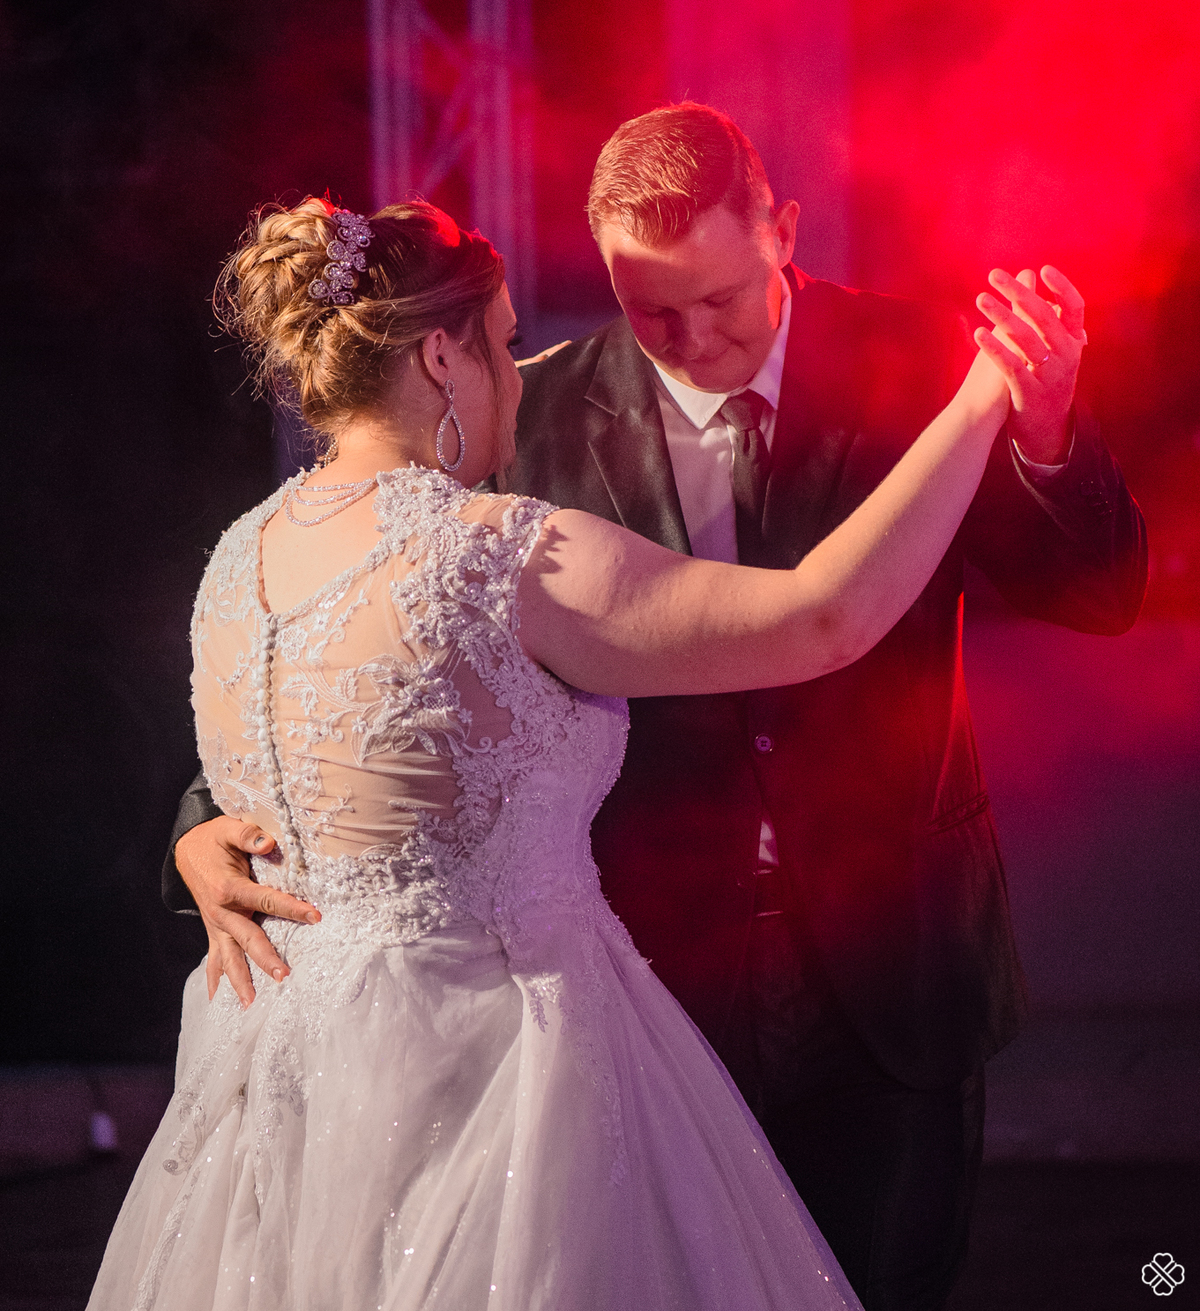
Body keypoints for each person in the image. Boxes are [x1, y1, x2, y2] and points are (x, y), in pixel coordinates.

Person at [164, 109, 1147, 1311]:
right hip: (645, 967)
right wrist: (204, 820)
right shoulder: (519, 427)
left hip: (894, 955)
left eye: (720, 298)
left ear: (780, 231)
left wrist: (1038, 431)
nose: (690, 337)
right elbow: (377, 652)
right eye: (648, 308)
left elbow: (1097, 598)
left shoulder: (930, 364)